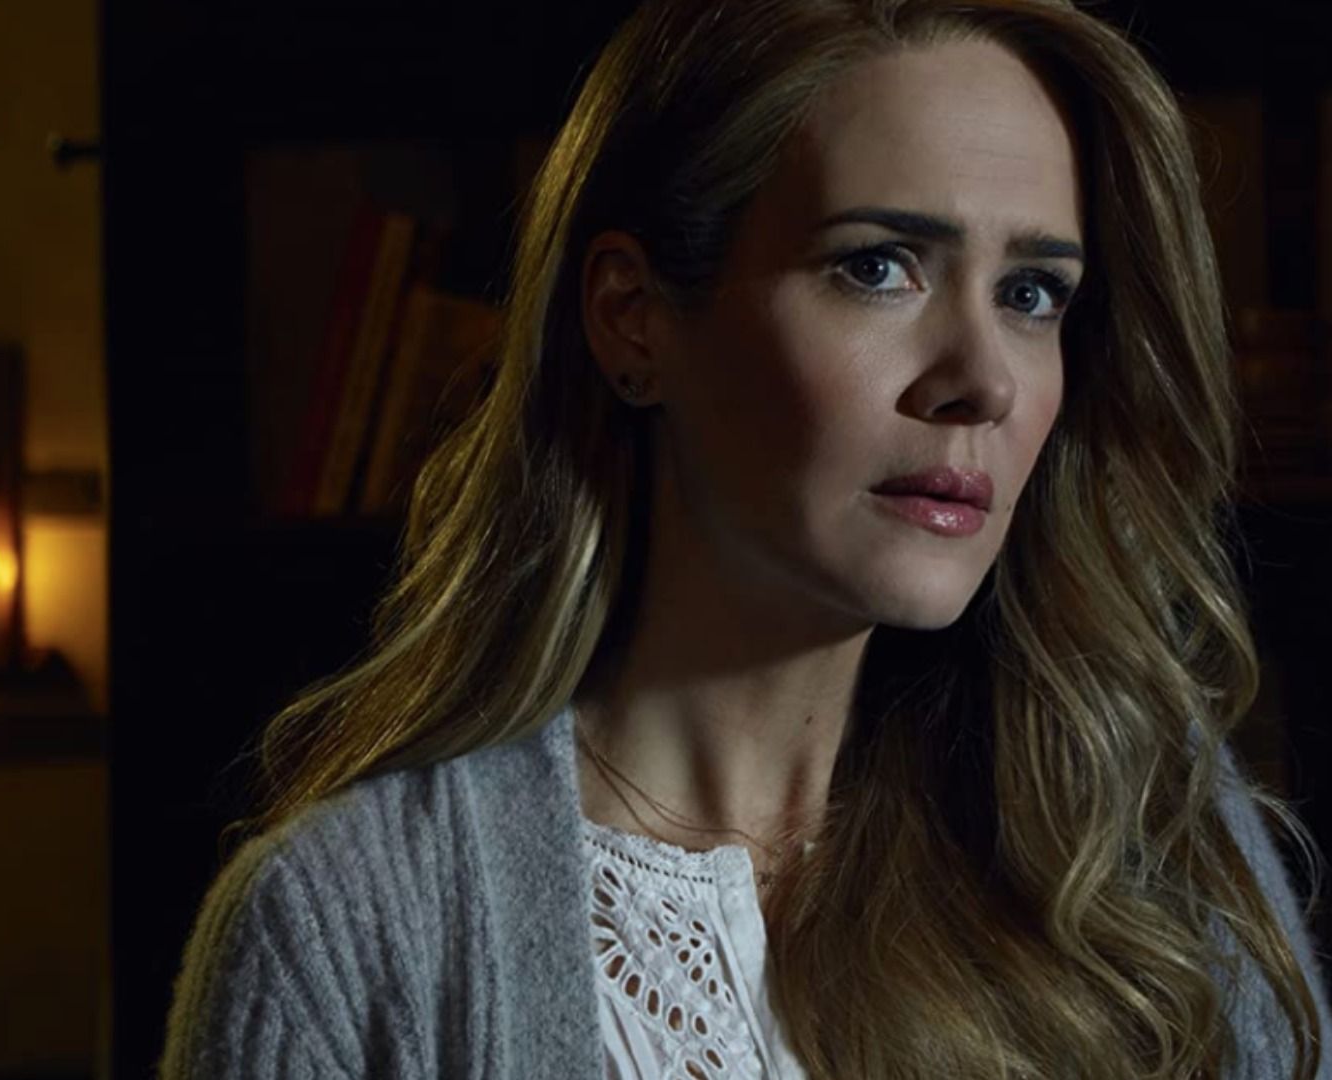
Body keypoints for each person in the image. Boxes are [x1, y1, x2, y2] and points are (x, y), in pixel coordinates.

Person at [160, 0, 1332, 1076]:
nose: (982, 378)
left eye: (1031, 293)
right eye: (878, 267)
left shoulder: (1152, 858)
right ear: (634, 320)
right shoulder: (352, 927)